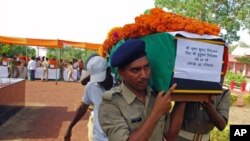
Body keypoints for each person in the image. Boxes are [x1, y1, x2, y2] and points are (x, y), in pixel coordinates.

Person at [98, 39, 184, 141]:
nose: (144, 75)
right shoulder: (111, 103)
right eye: (135, 70)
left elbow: (170, 136)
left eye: (146, 67)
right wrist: (157, 112)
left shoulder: (156, 96)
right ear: (121, 73)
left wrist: (183, 98)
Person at [64, 56, 113, 141]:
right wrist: (70, 127)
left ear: (108, 70)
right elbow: (83, 107)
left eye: (101, 78)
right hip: (98, 138)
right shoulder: (91, 86)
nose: (99, 81)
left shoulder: (121, 85)